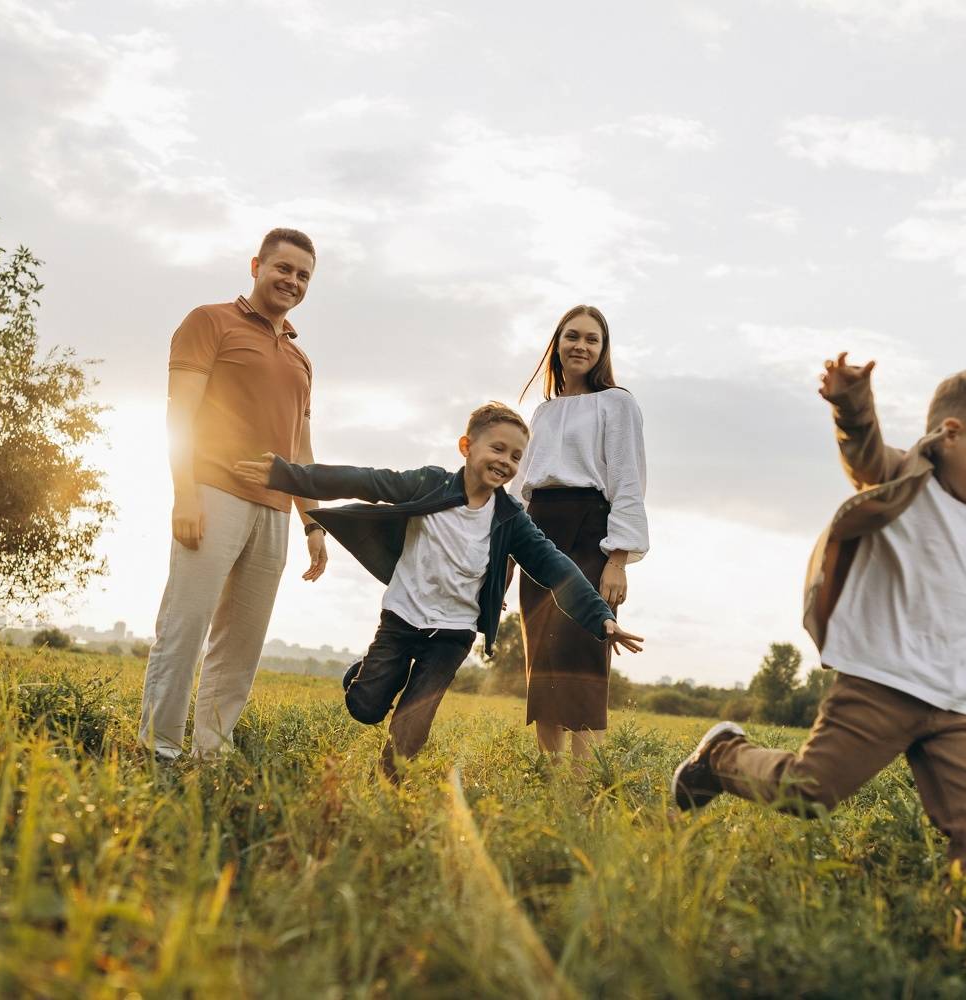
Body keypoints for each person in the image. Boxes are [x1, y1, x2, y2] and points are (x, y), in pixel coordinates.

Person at [672, 354, 966, 912]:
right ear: (951, 434)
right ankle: (722, 756)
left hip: (954, 707)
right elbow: (863, 451)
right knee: (809, 792)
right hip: (880, 686)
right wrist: (852, 404)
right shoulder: (903, 479)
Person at [233, 402, 644, 780]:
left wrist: (600, 617)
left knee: (411, 730)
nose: (506, 461)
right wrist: (286, 475)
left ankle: (388, 785)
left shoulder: (510, 518)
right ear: (467, 446)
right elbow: (365, 480)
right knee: (365, 706)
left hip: (453, 633)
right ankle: (365, 675)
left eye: (517, 456)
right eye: (498, 448)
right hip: (402, 619)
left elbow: (556, 566)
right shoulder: (429, 484)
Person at [138, 228, 329, 761]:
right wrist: (184, 495)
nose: (292, 281)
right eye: (283, 268)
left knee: (241, 644)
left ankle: (210, 753)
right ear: (256, 266)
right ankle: (159, 749)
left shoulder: (301, 360)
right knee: (185, 626)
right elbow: (180, 414)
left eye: (303, 275)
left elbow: (302, 448)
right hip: (212, 492)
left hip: (275, 511)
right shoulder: (209, 321)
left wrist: (314, 523)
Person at [513, 305, 648, 761]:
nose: (581, 346)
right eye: (572, 336)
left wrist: (618, 559)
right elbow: (520, 487)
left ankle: (583, 784)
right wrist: (507, 550)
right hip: (537, 531)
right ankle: (548, 778)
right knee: (543, 659)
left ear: (603, 349)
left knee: (584, 654)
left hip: (590, 531)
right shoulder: (542, 413)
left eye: (592, 339)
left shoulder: (617, 403)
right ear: (557, 344)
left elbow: (628, 480)